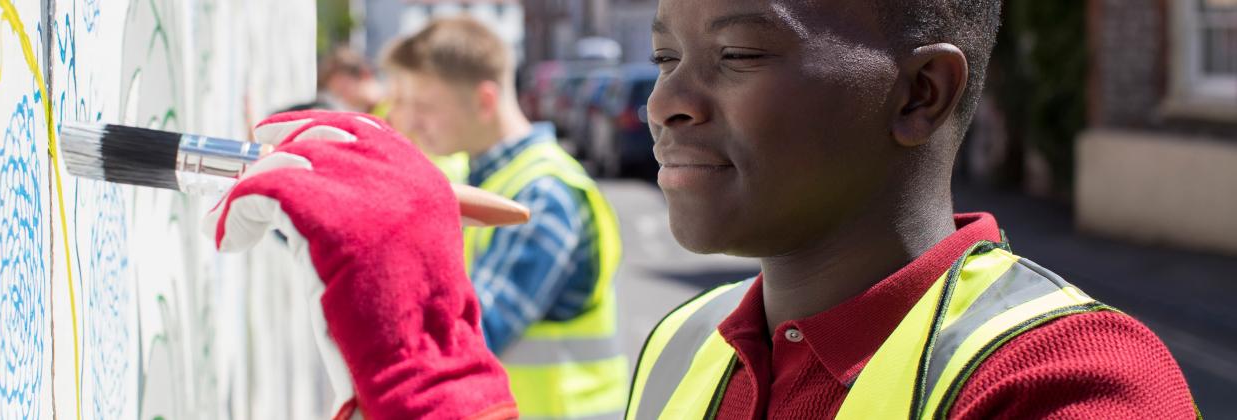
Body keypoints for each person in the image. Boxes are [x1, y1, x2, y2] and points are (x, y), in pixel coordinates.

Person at [205, 0, 1201, 418]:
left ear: (919, 94)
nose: (666, 101)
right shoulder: (690, 347)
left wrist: (424, 348)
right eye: (663, 56)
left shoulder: (1078, 382)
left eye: (735, 55)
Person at [381, 17, 629, 420]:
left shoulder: (542, 196)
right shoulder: (468, 176)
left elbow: (462, 340)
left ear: (484, 100)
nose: (406, 120)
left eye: (424, 106)